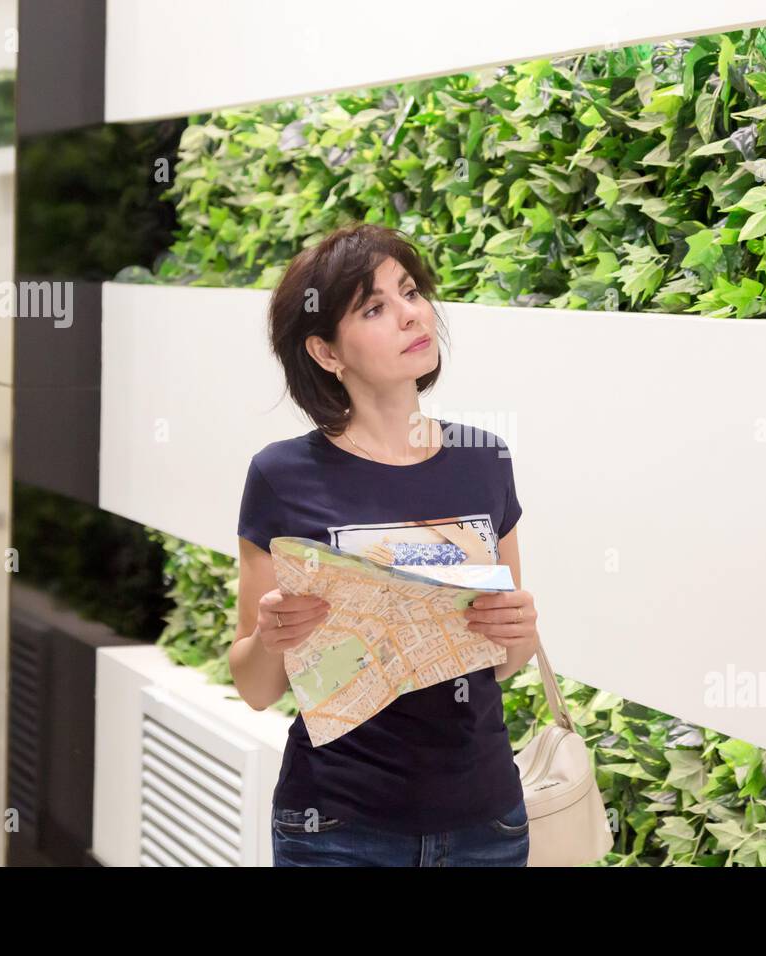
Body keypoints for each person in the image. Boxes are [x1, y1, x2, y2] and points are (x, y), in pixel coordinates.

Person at [229, 223, 541, 866]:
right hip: (339, 828)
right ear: (325, 353)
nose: (410, 315)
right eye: (374, 308)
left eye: (410, 291)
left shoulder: (485, 460)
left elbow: (503, 663)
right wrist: (272, 637)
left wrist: (520, 629)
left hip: (487, 824)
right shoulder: (282, 476)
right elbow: (258, 686)